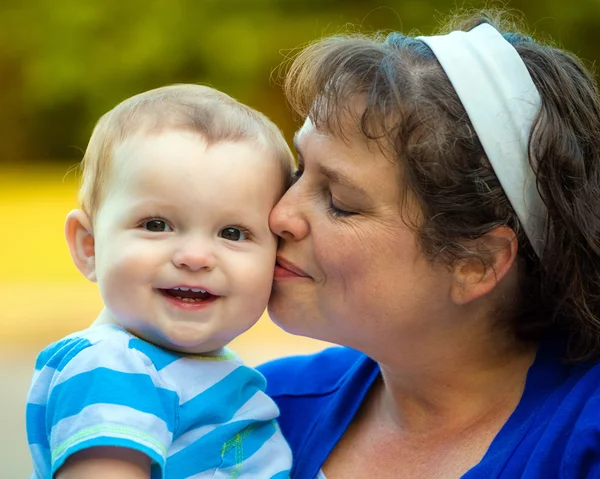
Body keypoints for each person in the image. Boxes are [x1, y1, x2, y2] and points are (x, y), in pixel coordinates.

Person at [258, 9, 600, 479]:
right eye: (299, 170)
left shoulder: (581, 442)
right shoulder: (254, 411)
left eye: (339, 202)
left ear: (476, 263)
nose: (279, 215)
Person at [25, 84, 294, 479]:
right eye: (156, 225)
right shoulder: (112, 366)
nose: (195, 257)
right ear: (90, 247)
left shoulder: (199, 371)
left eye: (233, 233)